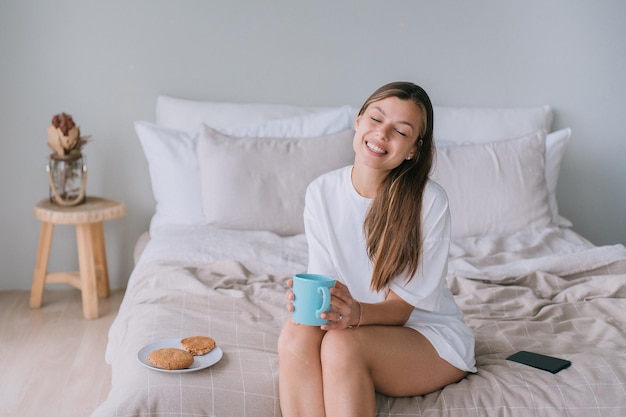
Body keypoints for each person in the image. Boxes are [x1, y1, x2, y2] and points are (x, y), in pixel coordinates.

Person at [277, 81, 476, 417]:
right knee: (296, 333)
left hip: (426, 335)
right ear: (358, 121)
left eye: (400, 130)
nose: (382, 134)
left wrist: (357, 315)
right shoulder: (321, 192)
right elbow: (327, 284)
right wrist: (309, 306)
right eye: (375, 119)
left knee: (341, 346)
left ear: (413, 149)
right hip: (358, 324)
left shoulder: (429, 202)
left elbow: (403, 309)